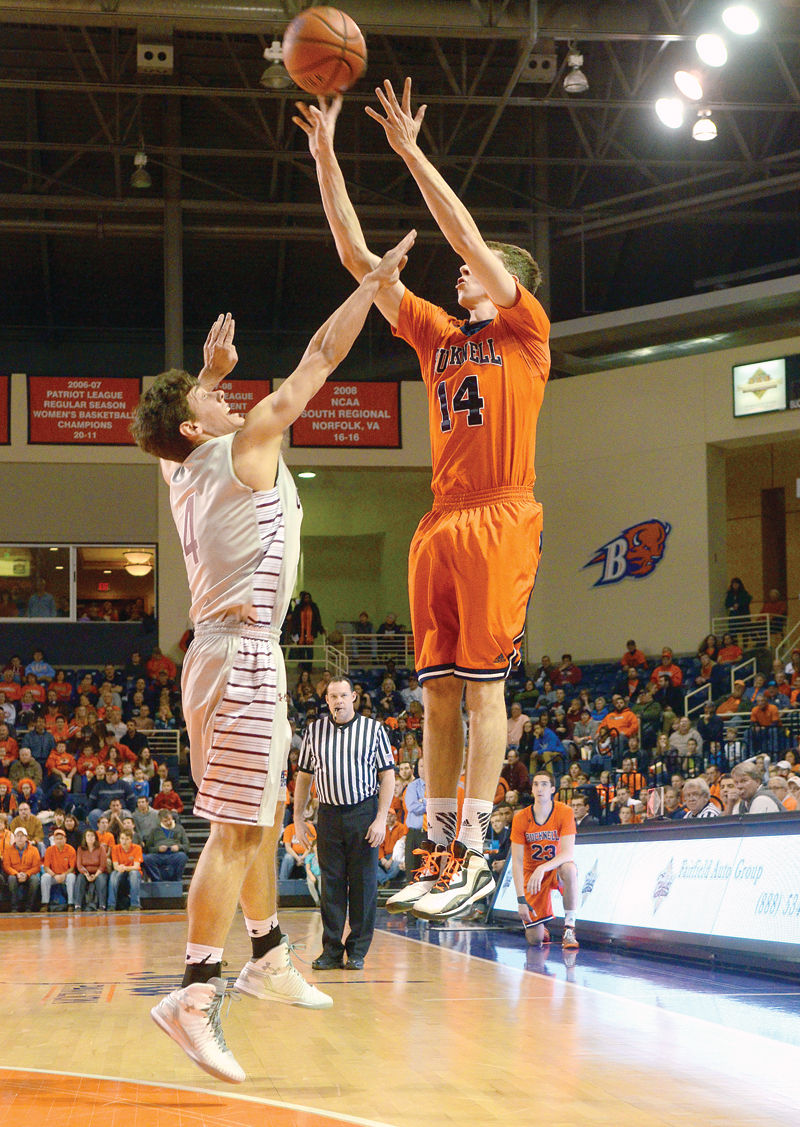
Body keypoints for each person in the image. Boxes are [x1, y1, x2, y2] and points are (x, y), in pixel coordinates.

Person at [136, 242, 413, 1084]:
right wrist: (372, 282)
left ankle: (263, 951)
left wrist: (207, 379)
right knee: (236, 832)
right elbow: (319, 358)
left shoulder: (180, 465)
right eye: (209, 398)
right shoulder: (238, 447)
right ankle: (192, 994)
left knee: (253, 818)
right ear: (197, 425)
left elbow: (185, 420)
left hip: (219, 653)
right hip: (244, 654)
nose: (226, 397)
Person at [296, 80, 548, 921]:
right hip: (438, 524)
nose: (461, 276)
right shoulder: (441, 336)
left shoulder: (525, 333)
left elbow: (467, 236)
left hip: (499, 513)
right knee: (438, 694)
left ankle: (477, 848)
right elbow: (356, 261)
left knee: (482, 692)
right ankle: (440, 850)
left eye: (480, 273)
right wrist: (328, 159)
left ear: (507, 283)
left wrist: (411, 153)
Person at [292, 678, 395, 968]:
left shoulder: (373, 730)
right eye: (333, 696)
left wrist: (380, 819)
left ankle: (358, 951)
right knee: (332, 886)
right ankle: (331, 950)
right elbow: (303, 777)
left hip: (363, 813)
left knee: (363, 885)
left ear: (354, 697)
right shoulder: (314, 731)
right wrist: (298, 818)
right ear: (326, 700)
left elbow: (387, 775)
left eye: (343, 695)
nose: (338, 701)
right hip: (328, 814)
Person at [510, 770, 579, 949]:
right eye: (536, 784)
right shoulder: (520, 818)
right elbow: (516, 861)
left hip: (553, 869)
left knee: (569, 869)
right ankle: (541, 928)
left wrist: (543, 868)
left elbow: (568, 853)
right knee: (535, 940)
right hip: (531, 875)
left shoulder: (564, 812)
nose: (539, 788)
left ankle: (569, 928)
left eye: (544, 784)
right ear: (532, 789)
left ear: (553, 789)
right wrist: (520, 900)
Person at [143, 809, 190, 882]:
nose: (168, 822)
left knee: (182, 856)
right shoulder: (154, 830)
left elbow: (187, 846)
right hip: (159, 855)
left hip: (174, 855)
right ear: (160, 821)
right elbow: (148, 848)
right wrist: (158, 849)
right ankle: (157, 880)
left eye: (170, 819)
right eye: (165, 821)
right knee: (147, 859)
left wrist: (178, 847)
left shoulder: (179, 828)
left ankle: (177, 880)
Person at [2, 825, 41, 910]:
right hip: (15, 875)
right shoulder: (8, 850)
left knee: (35, 880)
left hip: (29, 875)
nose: (20, 838)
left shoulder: (34, 850)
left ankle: (29, 907)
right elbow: (6, 866)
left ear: (26, 838)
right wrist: (16, 874)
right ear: (14, 838)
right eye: (17, 836)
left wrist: (27, 874)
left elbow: (37, 867)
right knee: (11, 879)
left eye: (22, 836)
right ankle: (14, 907)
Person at [40, 826, 77, 911]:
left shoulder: (71, 850)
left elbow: (72, 868)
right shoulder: (49, 850)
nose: (59, 840)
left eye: (61, 838)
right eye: (57, 838)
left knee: (71, 877)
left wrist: (63, 875)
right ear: (54, 840)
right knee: (45, 877)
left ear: (65, 839)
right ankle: (45, 904)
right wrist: (55, 875)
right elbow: (46, 867)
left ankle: (71, 904)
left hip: (66, 875)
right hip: (54, 876)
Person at [74, 827, 108, 910]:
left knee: (101, 880)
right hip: (85, 873)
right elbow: (79, 865)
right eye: (88, 836)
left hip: (99, 872)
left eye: (92, 836)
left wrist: (95, 875)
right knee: (80, 878)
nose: (90, 838)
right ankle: (77, 905)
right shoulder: (80, 849)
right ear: (85, 838)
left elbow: (102, 865)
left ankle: (102, 905)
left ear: (95, 838)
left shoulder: (101, 848)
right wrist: (87, 875)